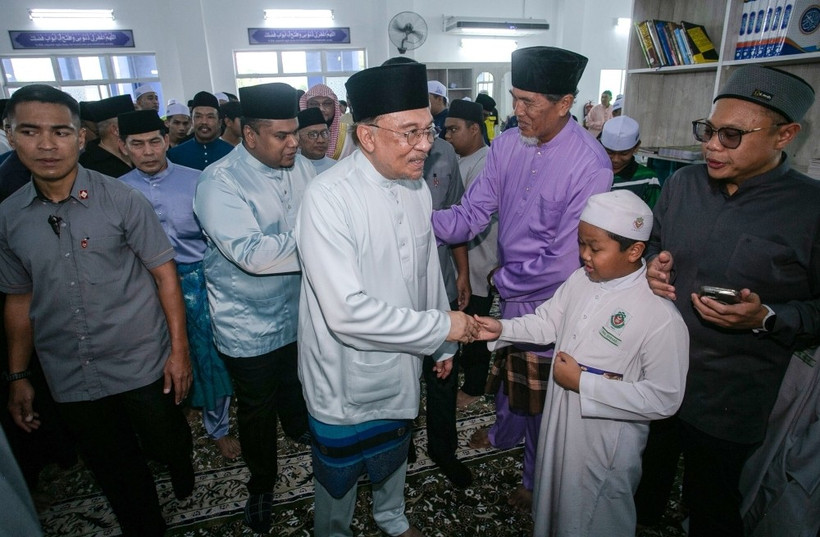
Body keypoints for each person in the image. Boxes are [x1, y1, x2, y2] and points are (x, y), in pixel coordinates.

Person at [0, 84, 194, 537]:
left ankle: (180, 461)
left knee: (164, 436)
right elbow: (18, 296)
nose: (47, 145)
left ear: (80, 138)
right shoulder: (8, 217)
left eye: (60, 132)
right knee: (114, 464)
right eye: (30, 131)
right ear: (10, 135)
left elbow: (165, 274)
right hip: (69, 367)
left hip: (140, 355)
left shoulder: (123, 199)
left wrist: (179, 352)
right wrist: (17, 374)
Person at [296, 59, 477, 537]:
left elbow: (424, 277)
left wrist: (440, 341)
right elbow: (344, 312)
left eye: (429, 130)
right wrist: (442, 328)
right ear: (368, 135)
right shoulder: (328, 197)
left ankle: (391, 518)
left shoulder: (415, 187)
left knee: (395, 449)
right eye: (410, 132)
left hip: (401, 359)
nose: (425, 145)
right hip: (342, 372)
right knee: (338, 479)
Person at [432, 46, 613, 511]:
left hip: (558, 300)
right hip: (512, 288)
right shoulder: (508, 145)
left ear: (564, 103)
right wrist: (416, 220)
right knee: (510, 372)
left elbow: (568, 259)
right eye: (515, 98)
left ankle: (534, 481)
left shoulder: (590, 164)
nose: (517, 111)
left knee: (542, 397)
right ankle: (503, 430)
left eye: (529, 102)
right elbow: (473, 213)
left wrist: (505, 282)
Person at [643, 65, 819, 536]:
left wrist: (765, 317)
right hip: (657, 373)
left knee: (714, 506)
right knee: (641, 483)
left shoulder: (811, 209)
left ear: (785, 135)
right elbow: (655, 245)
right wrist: (652, 268)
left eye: (732, 135)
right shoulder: (682, 185)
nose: (712, 146)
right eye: (708, 130)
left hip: (732, 397)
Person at [475, 190, 689, 536]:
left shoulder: (660, 315)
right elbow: (547, 322)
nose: (584, 255)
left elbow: (665, 398)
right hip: (560, 423)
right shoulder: (581, 279)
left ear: (634, 251)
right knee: (555, 506)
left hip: (603, 445)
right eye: (581, 244)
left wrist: (583, 384)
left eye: (595, 248)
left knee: (594, 518)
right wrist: (501, 327)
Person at [193, 82, 314, 533]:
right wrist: (328, 244)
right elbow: (253, 255)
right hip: (249, 322)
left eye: (295, 133)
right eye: (281, 135)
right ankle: (262, 482)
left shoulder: (301, 167)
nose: (293, 144)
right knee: (257, 407)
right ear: (249, 135)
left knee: (297, 382)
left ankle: (300, 428)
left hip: (300, 310)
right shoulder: (219, 182)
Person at [117, 110, 240, 460]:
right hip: (143, 289)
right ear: (124, 148)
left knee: (209, 356)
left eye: (155, 141)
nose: (148, 151)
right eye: (137, 145)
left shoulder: (197, 180)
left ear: (168, 140)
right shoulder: (118, 190)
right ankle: (174, 413)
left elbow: (217, 236)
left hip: (198, 283)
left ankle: (218, 426)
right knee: (158, 356)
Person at [443, 98, 496, 409]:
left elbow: (466, 216)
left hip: (480, 260)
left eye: (454, 130)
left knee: (477, 326)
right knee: (459, 321)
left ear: (475, 129)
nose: (448, 136)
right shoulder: (457, 159)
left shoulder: (487, 164)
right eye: (446, 130)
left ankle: (475, 386)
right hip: (458, 261)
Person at [600, 115, 661, 207]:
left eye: (624, 154)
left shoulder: (647, 179)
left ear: (636, 148)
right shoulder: (591, 173)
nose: (616, 159)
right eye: (609, 152)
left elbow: (654, 215)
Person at [167, 91, 233, 171]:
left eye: (210, 117)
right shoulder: (174, 155)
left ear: (219, 123)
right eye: (198, 116)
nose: (204, 122)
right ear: (192, 121)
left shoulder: (232, 153)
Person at [78, 95, 134, 177]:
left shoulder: (138, 153)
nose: (138, 129)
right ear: (115, 130)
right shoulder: (86, 165)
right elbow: (82, 190)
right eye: (131, 124)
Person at [299, 83, 355, 160]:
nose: (321, 109)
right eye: (314, 104)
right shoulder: (296, 135)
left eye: (327, 103)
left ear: (335, 107)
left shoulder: (349, 133)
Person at [296, 107, 336, 173]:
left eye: (324, 133)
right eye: (312, 135)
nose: (321, 140)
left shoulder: (337, 167)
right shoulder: (289, 170)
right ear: (299, 140)